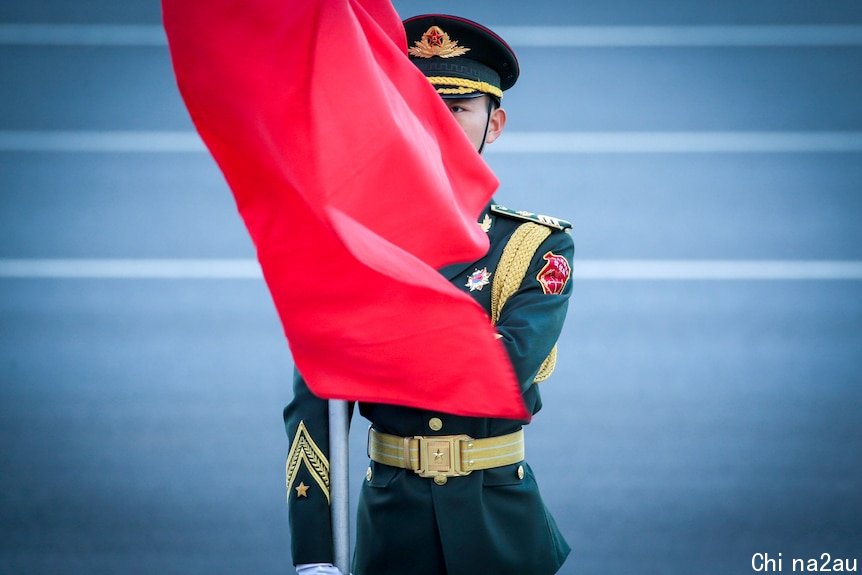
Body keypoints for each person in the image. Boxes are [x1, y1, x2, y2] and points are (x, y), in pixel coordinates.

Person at [284, 14, 574, 575]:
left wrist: (379, 341)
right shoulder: (351, 244)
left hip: (501, 531)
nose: (438, 123)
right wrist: (315, 556)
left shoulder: (536, 244)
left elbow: (501, 376)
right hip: (391, 530)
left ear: (495, 124)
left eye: (459, 108)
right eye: (420, 104)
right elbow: (313, 410)